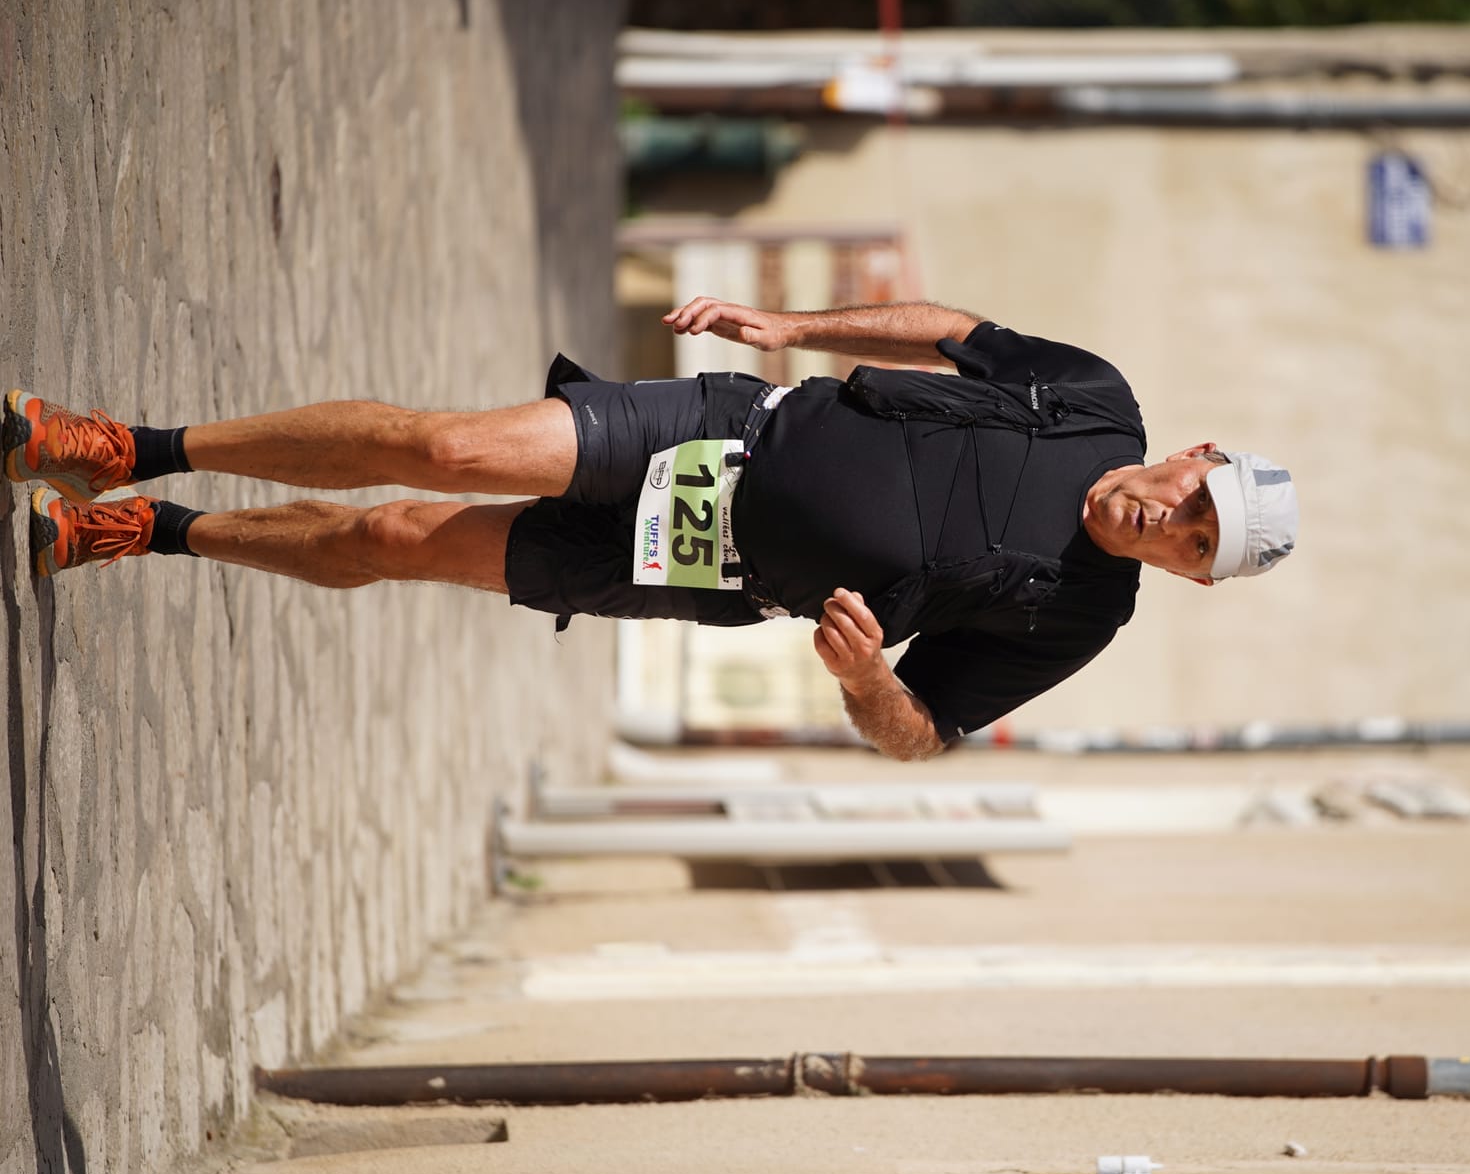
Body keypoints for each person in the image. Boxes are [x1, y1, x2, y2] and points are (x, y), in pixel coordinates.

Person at [6, 299, 1298, 760]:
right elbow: (956, 333)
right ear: (1191, 455)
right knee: (445, 447)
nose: (1173, 522)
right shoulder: (1096, 400)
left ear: (1191, 578)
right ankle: (129, 445)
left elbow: (926, 736)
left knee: (405, 537)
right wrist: (793, 326)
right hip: (722, 431)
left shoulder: (1080, 614)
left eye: (1198, 544)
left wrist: (866, 683)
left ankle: (153, 531)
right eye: (1197, 499)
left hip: (700, 567)